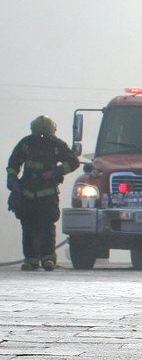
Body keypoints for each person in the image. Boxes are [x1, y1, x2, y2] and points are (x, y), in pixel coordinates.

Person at [6, 116, 80, 271]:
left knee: (43, 227)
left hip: (45, 194)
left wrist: (56, 172)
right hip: (29, 193)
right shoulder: (27, 143)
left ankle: (47, 259)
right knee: (31, 226)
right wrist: (12, 179)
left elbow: (73, 161)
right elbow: (13, 163)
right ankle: (32, 260)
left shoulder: (53, 144)